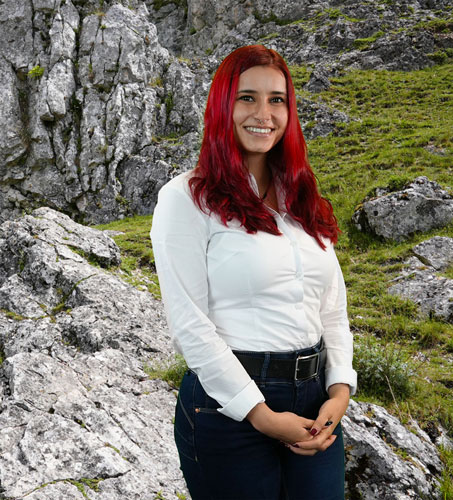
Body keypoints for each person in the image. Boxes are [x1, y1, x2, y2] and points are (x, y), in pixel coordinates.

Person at [150, 44, 357, 500]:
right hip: (229, 410)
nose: (263, 113)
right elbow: (190, 325)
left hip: (315, 399)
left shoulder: (301, 198)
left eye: (277, 100)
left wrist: (339, 390)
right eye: (247, 97)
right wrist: (262, 415)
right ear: (223, 105)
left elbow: (332, 309)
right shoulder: (185, 199)